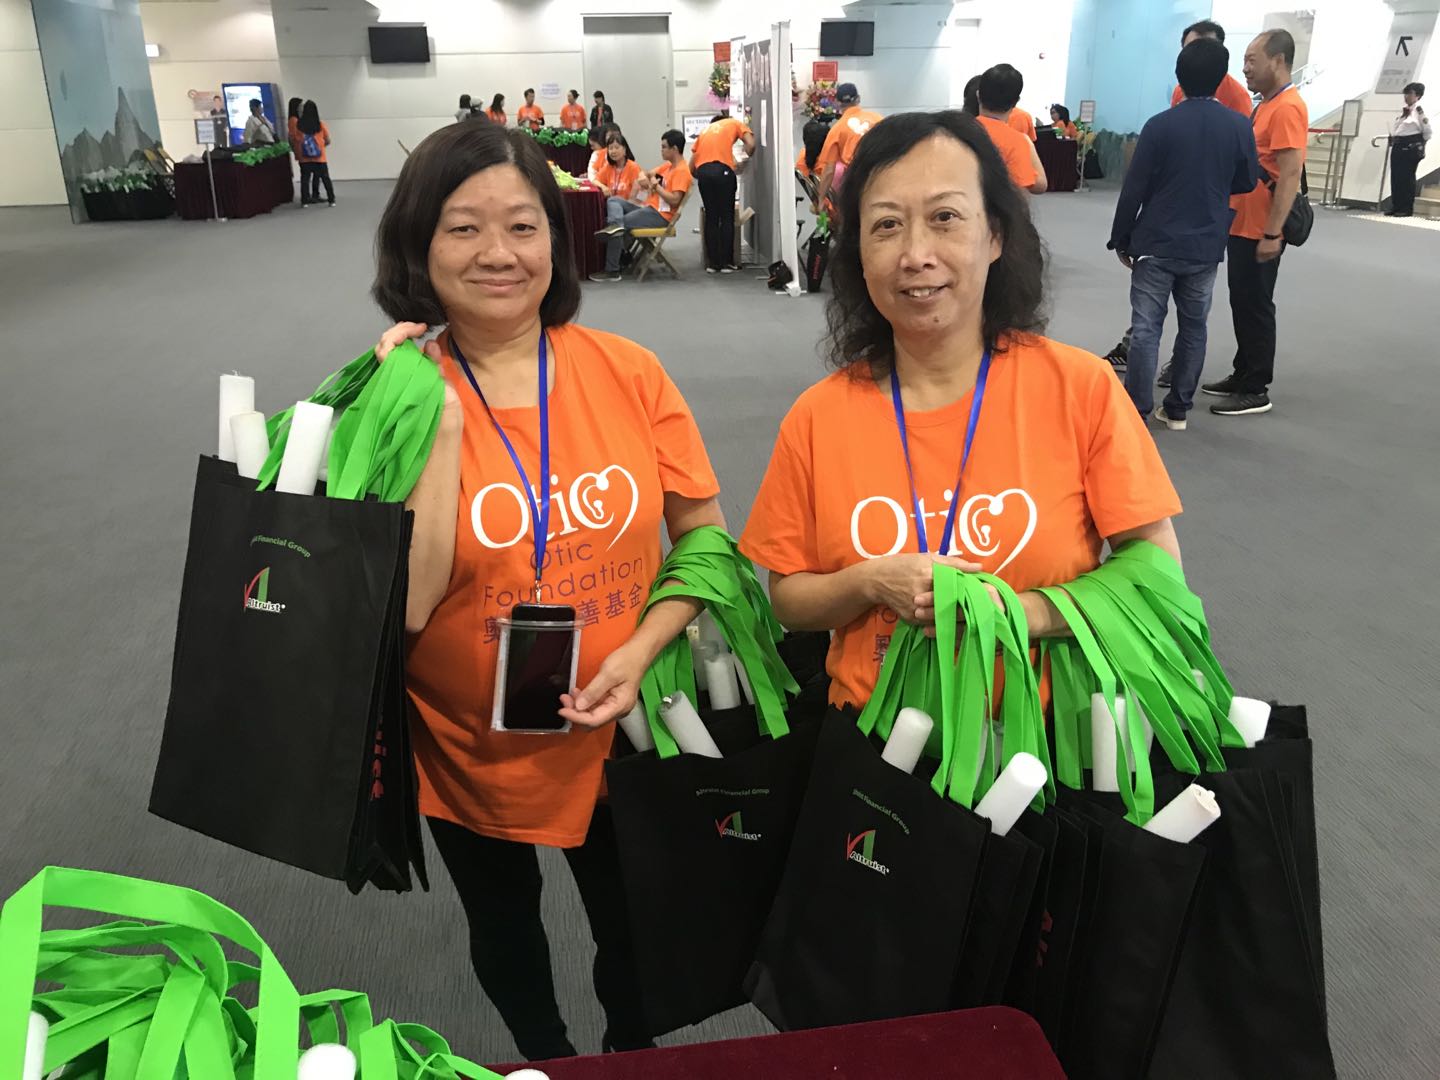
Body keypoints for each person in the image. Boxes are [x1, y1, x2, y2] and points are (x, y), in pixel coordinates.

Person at [370, 120, 724, 1061]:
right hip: (466, 737)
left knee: (636, 928)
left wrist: (642, 651)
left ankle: (627, 1056)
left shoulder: (628, 372)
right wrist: (439, 422)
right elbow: (407, 605)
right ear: (418, 245)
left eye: (523, 226)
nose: (499, 253)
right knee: (505, 927)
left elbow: (706, 541)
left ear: (555, 241)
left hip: (621, 719)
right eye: (463, 228)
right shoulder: (395, 399)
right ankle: (546, 1057)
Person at [738, 110, 1182, 720]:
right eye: (886, 225)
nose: (916, 254)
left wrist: (1019, 614)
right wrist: (869, 582)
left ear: (995, 236)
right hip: (872, 744)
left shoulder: (1079, 388)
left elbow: (1157, 571)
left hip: (1046, 740)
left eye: (945, 217)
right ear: (859, 254)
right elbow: (788, 598)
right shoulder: (818, 417)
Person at [1108, 38, 1259, 429]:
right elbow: (1246, 181)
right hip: (1206, 243)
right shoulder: (1239, 125)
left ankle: (1137, 409)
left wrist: (1120, 237)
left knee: (1146, 328)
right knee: (1194, 327)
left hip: (1157, 240)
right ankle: (1177, 409)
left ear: (1179, 77)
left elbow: (1135, 187)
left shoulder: (1160, 125)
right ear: (1222, 77)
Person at [1202, 29, 1307, 417]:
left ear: (1277, 61)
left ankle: (1256, 386)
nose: (1245, 68)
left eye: (1251, 60)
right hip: (1243, 221)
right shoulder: (1266, 105)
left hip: (1262, 225)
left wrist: (1273, 232)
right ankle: (1243, 370)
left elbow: (1290, 173)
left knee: (1256, 303)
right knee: (1242, 299)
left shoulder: (1287, 108)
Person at [591, 129, 692, 283]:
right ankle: (615, 228)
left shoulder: (681, 171)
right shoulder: (668, 166)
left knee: (618, 223)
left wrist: (656, 187)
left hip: (660, 215)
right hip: (649, 208)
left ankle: (612, 270)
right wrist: (645, 177)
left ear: (675, 149)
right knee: (614, 201)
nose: (661, 150)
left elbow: (674, 200)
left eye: (664, 147)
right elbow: (648, 173)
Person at [690, 112, 755, 273]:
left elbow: (691, 166)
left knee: (711, 216)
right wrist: (747, 156)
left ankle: (713, 264)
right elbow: (751, 144)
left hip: (704, 172)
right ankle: (726, 262)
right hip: (722, 171)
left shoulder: (705, 131)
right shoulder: (736, 123)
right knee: (726, 216)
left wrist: (705, 175)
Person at [975, 66, 1047, 194]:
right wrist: (1028, 145)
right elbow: (1040, 186)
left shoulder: (957, 130)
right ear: (1016, 102)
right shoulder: (1018, 141)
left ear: (978, 95)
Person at [813, 83, 882, 212]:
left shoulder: (836, 130)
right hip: (881, 178)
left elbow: (829, 171)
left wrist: (821, 200)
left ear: (837, 103)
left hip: (857, 184)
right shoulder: (878, 119)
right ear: (858, 99)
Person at [1170, 19, 1255, 115]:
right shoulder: (1179, 91)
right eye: (1191, 49)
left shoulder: (1237, 96)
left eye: (1206, 49)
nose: (1197, 55)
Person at [1387, 82, 1430, 217]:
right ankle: (1396, 206)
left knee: (1406, 178)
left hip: (1410, 146)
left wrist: (1420, 145)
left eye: (1410, 93)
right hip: (1398, 145)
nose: (1406, 96)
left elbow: (1427, 131)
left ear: (1418, 96)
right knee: (1396, 177)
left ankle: (1406, 208)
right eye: (1405, 93)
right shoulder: (1404, 111)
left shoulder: (1419, 111)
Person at [296, 99, 334, 206]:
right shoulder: (320, 125)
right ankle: (331, 200)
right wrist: (320, 147)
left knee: (305, 179)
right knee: (325, 178)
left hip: (305, 158)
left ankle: (304, 202)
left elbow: (298, 140)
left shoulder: (299, 125)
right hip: (320, 158)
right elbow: (327, 140)